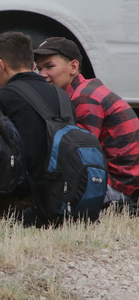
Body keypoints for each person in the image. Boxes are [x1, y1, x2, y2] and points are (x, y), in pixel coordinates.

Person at [34, 37, 139, 203]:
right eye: (39, 69)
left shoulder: (85, 98)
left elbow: (78, 156)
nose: (43, 74)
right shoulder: (86, 90)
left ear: (73, 67)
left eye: (49, 66)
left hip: (120, 190)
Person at [0, 32, 72, 203]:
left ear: (0, 64)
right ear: (33, 64)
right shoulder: (62, 95)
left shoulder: (1, 98)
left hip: (26, 195)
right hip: (63, 190)